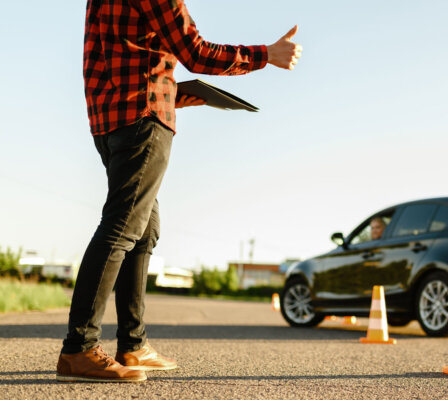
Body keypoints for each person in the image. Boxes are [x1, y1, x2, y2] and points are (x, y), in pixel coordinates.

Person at [57, 0, 302, 383]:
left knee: (144, 230)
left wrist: (173, 92)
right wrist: (267, 55)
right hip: (143, 121)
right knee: (122, 228)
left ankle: (132, 345)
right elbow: (195, 52)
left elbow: (121, 59)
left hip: (110, 120)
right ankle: (79, 349)